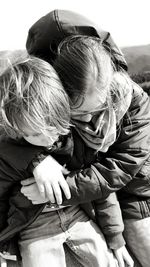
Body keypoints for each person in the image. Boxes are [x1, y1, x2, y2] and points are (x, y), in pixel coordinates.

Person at [25, 9, 150, 267]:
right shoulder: (41, 103)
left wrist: (61, 190)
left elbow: (123, 166)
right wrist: (37, 159)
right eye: (77, 114)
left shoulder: (133, 99)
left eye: (97, 108)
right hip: (86, 199)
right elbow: (14, 133)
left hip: (133, 195)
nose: (88, 120)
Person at [0, 53, 132, 267]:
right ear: (15, 129)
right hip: (35, 227)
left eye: (52, 127)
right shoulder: (12, 152)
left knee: (106, 262)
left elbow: (101, 191)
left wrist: (116, 237)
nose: (46, 139)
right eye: (33, 134)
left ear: (63, 110)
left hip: (78, 214)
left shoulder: (77, 140)